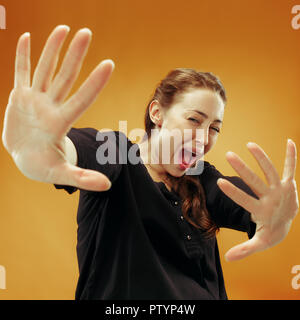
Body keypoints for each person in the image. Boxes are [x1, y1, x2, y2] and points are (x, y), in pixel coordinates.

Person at [2, 25, 299, 300]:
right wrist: (47, 147)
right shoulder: (116, 155)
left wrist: (276, 215)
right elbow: (82, 149)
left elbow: (253, 205)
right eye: (194, 119)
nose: (204, 136)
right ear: (157, 113)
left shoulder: (203, 178)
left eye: (214, 128)